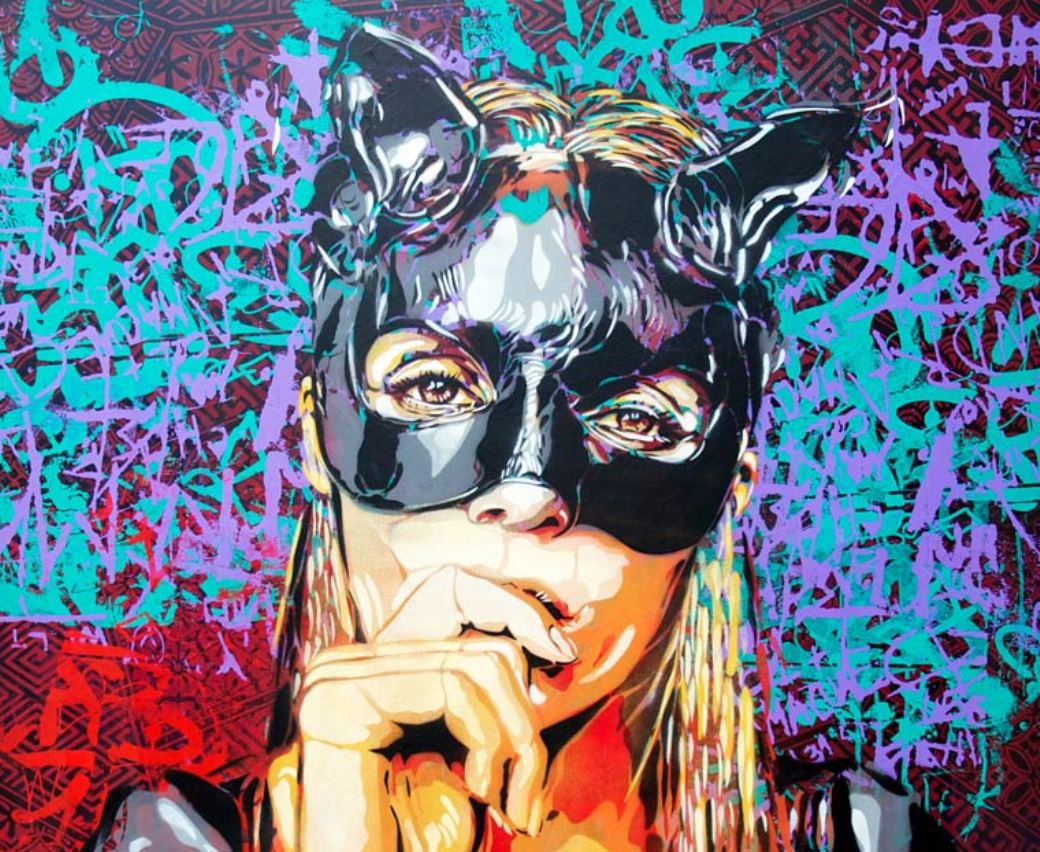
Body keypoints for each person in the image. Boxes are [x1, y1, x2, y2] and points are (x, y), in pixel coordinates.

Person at [89, 24, 952, 852]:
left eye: (637, 417)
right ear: (319, 436)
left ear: (733, 482)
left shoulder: (859, 840)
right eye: (434, 387)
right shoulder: (173, 843)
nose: (529, 494)